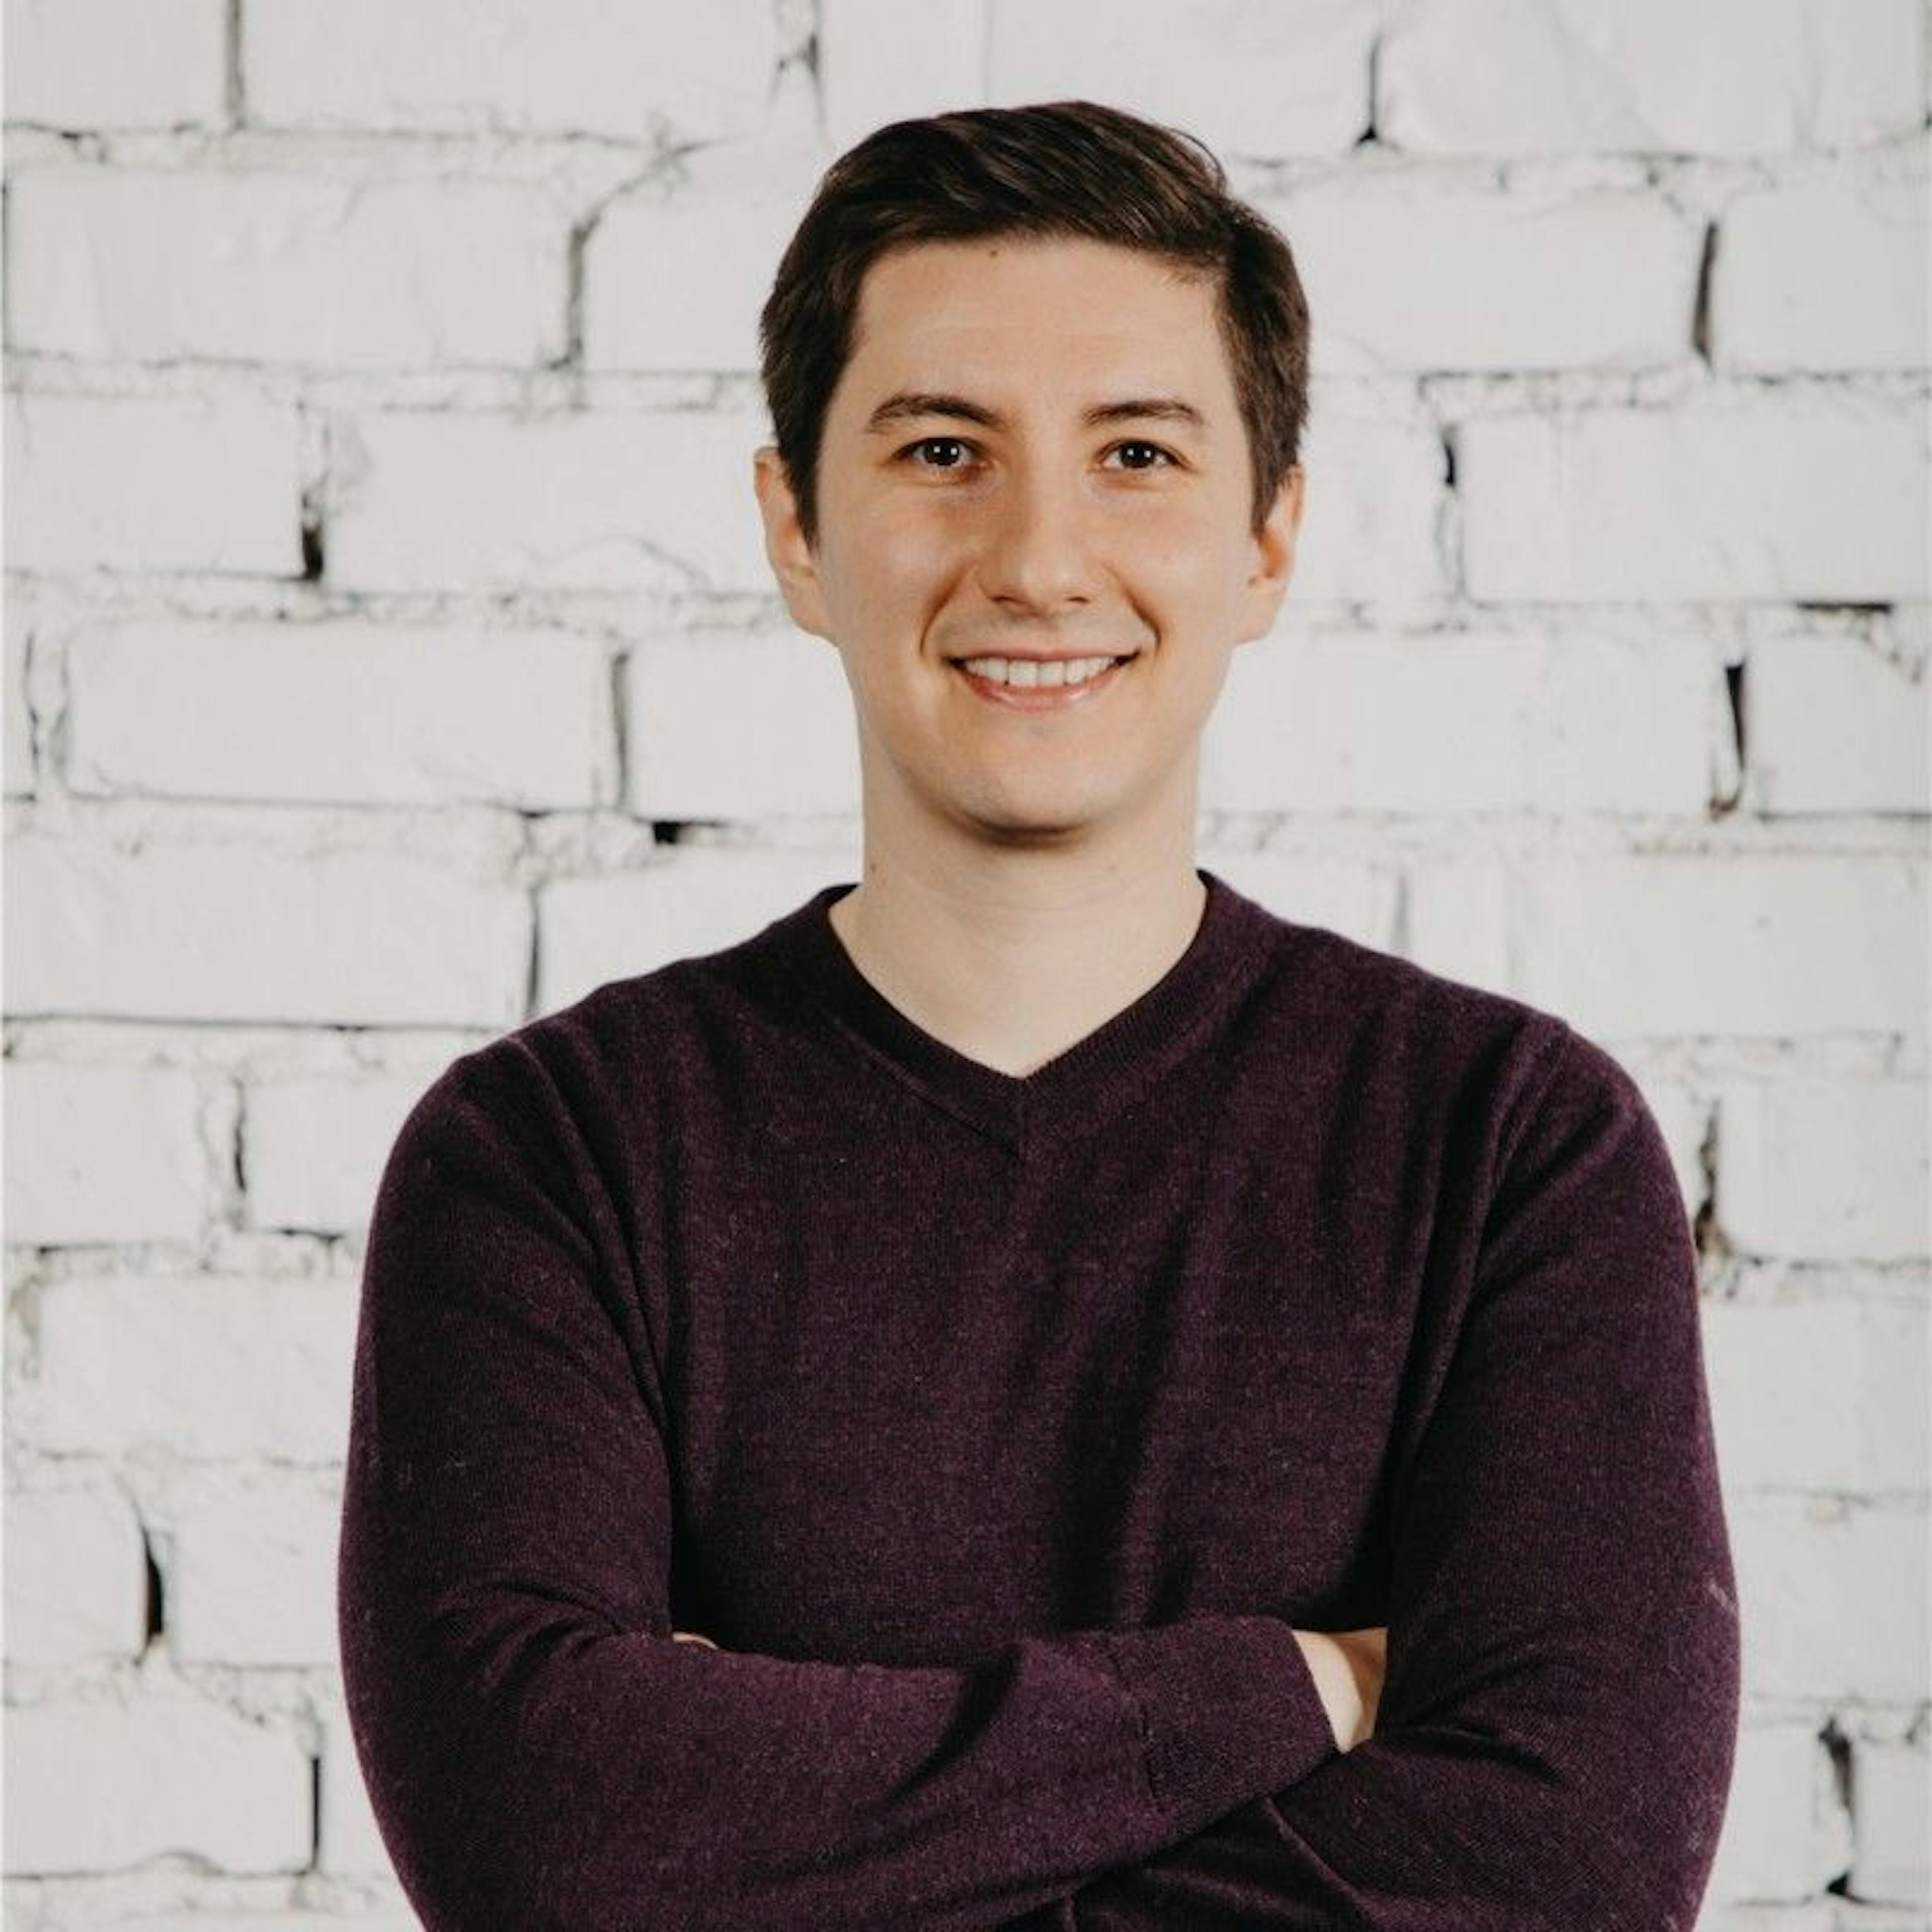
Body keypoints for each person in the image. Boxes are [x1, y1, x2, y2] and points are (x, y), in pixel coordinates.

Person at [338, 101, 1739, 1929]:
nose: (1040, 559)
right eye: (943, 450)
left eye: (1138, 454)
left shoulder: (1512, 1149)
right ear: (796, 528)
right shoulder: (549, 1159)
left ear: (1267, 539)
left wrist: (782, 1835)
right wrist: (1284, 1691)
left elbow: (1573, 1875)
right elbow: (549, 1844)